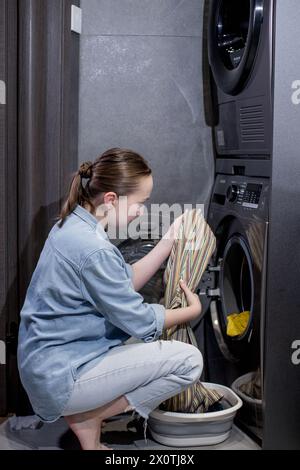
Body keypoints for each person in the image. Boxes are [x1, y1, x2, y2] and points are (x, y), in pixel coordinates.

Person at [17, 148, 203, 450]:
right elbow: (139, 319)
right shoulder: (93, 248)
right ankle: (90, 417)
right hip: (62, 376)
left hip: (48, 364)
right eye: (140, 203)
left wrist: (169, 240)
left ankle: (87, 417)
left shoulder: (73, 225)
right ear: (112, 199)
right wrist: (190, 311)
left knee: (141, 342)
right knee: (188, 361)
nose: (142, 212)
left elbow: (121, 282)